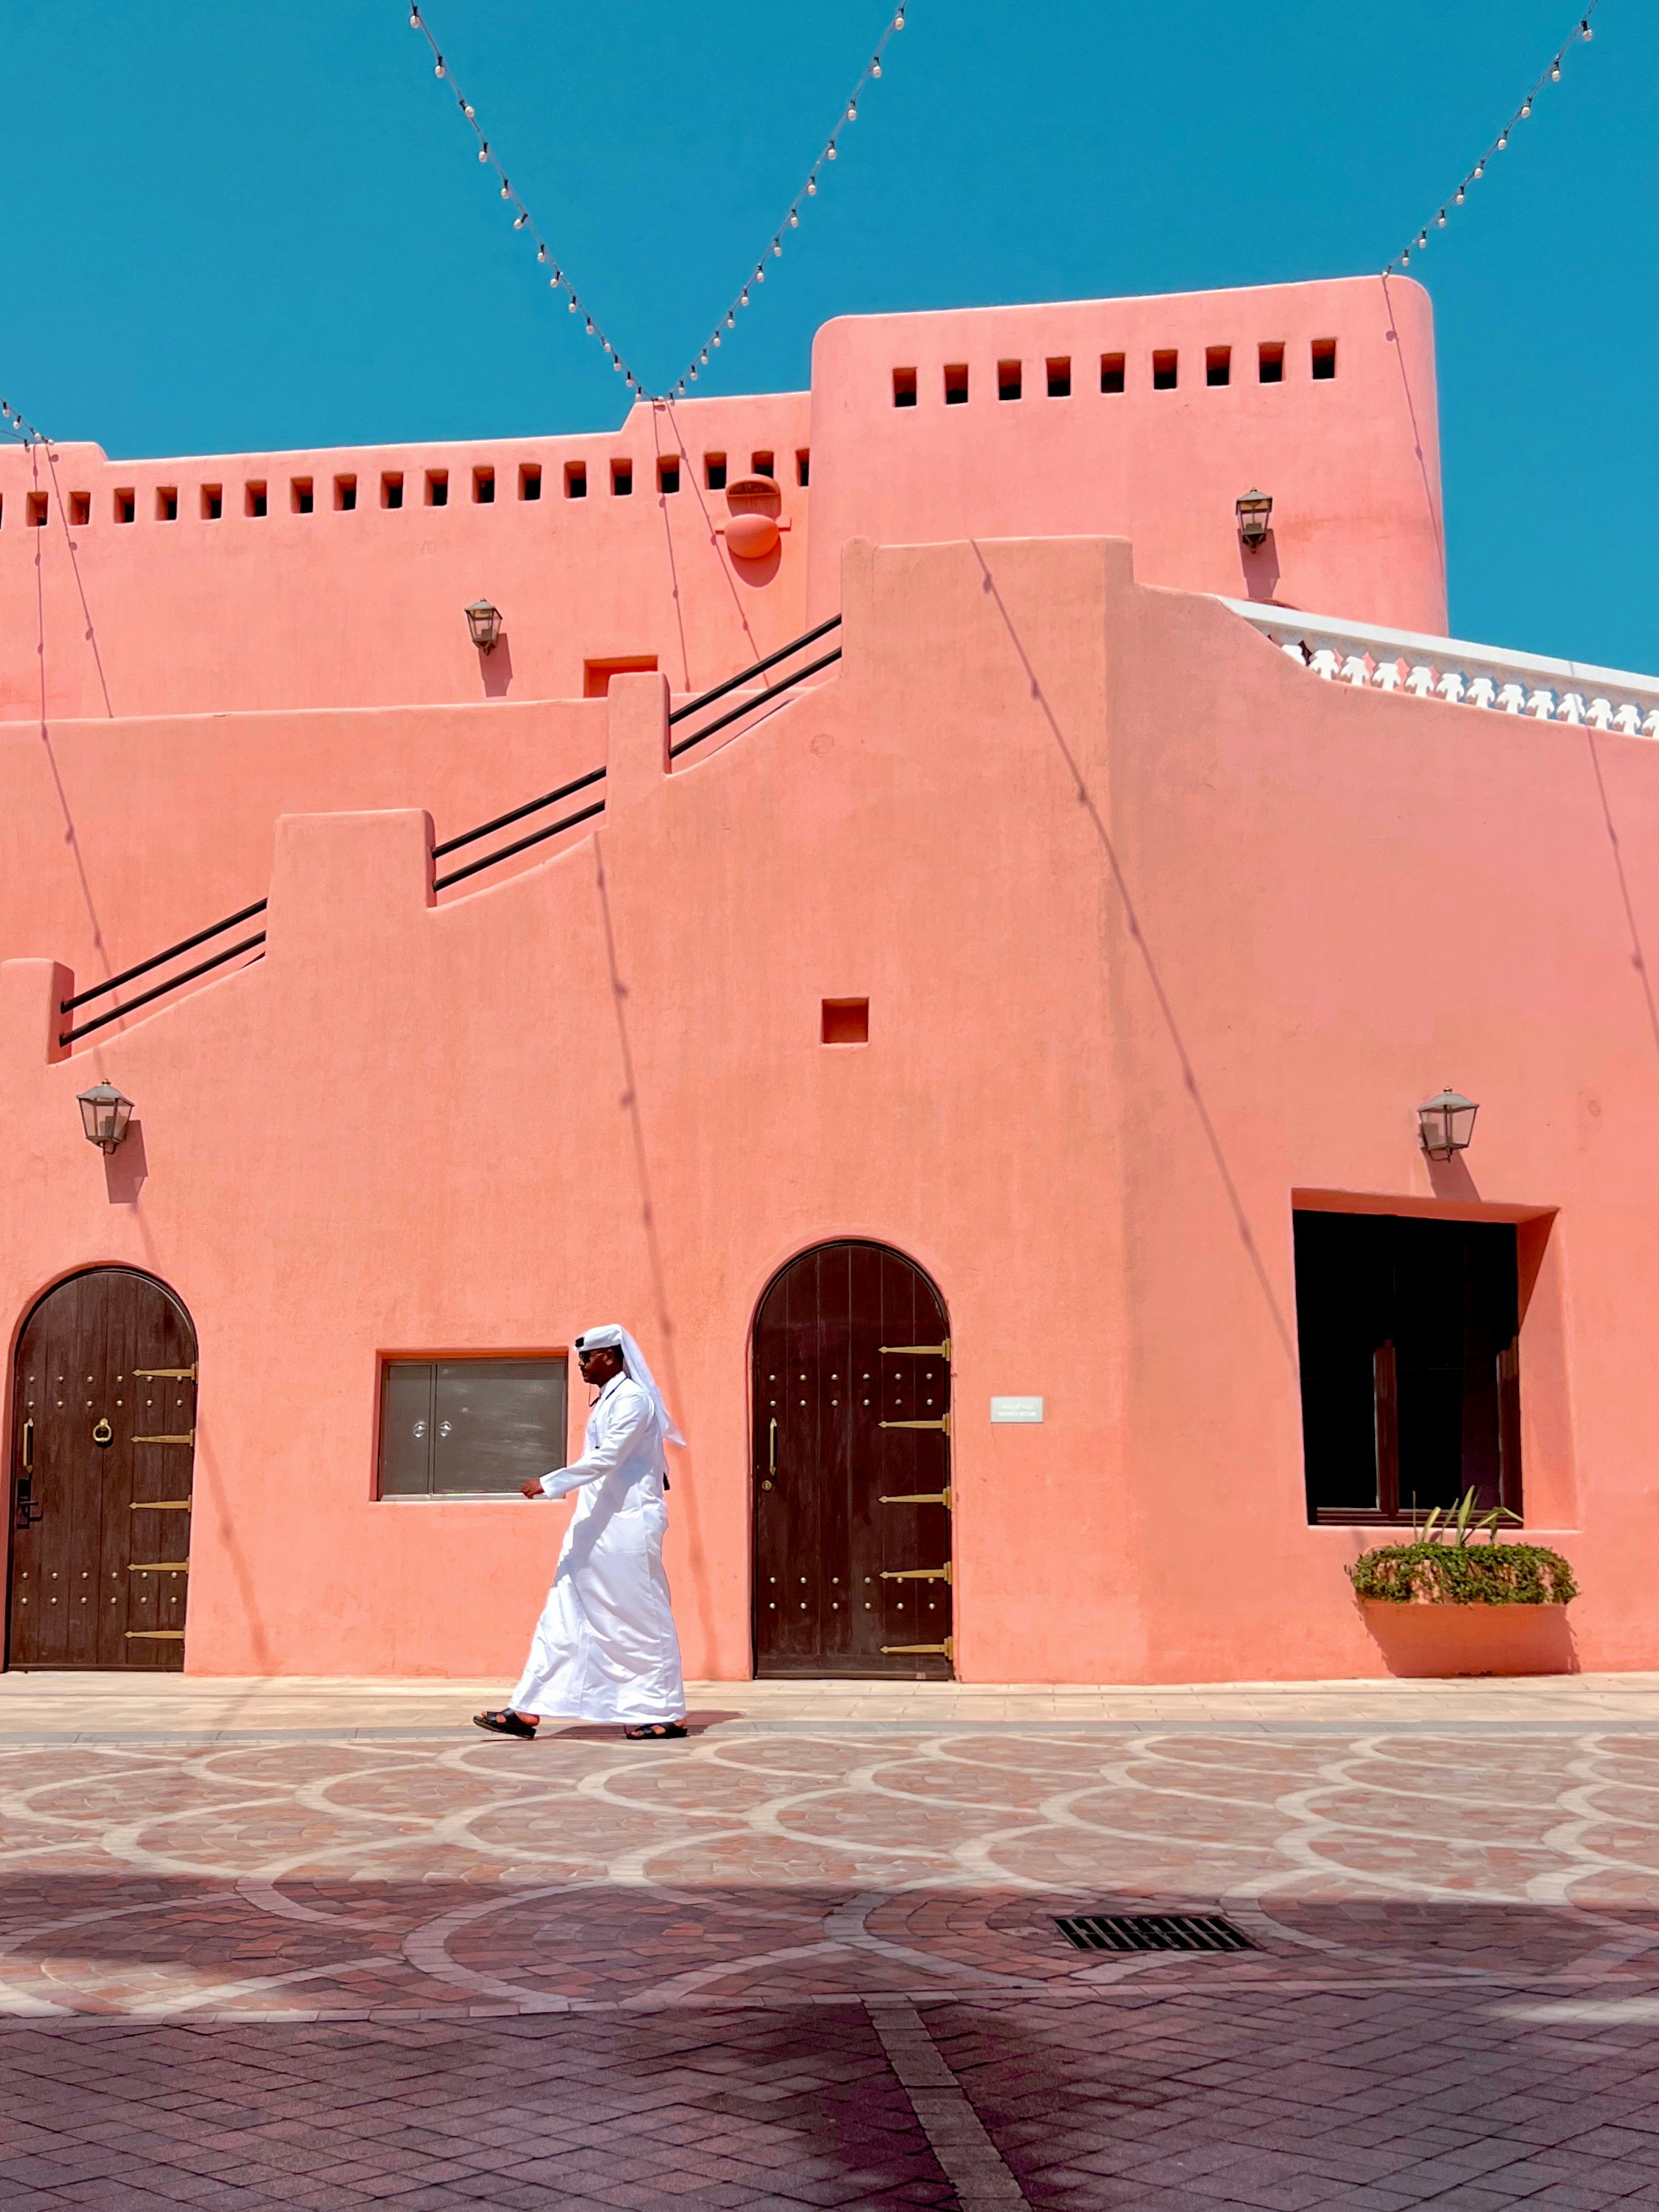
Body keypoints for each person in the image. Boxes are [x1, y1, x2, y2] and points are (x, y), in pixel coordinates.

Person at [474, 1326, 688, 1743]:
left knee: (639, 1617)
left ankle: (667, 1712)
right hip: (595, 1525)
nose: (582, 1368)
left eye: (587, 1360)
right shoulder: (609, 1400)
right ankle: (527, 1709)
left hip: (627, 1526)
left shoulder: (633, 1400)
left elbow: (608, 1457)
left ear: (609, 1356)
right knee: (563, 1613)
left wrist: (550, 1483)